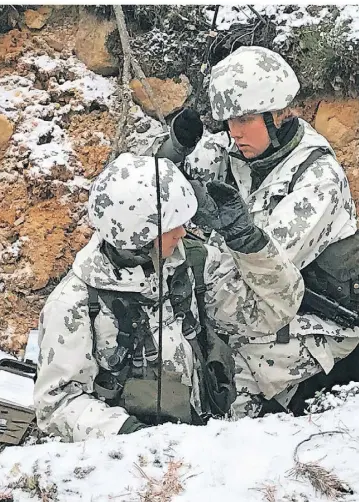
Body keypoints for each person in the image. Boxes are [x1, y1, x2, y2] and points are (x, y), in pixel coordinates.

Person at [34, 152, 304, 440]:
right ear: (136, 236)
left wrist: (247, 240)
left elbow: (271, 313)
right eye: (170, 225)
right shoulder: (75, 303)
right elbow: (57, 405)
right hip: (136, 459)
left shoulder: (192, 263)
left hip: (210, 433)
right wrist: (129, 435)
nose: (183, 231)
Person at [149, 45, 359, 417]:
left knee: (219, 386)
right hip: (249, 306)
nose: (235, 132)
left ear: (278, 115)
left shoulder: (317, 181)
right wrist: (172, 153)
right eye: (229, 121)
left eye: (245, 119)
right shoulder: (236, 150)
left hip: (317, 322)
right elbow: (141, 194)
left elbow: (260, 279)